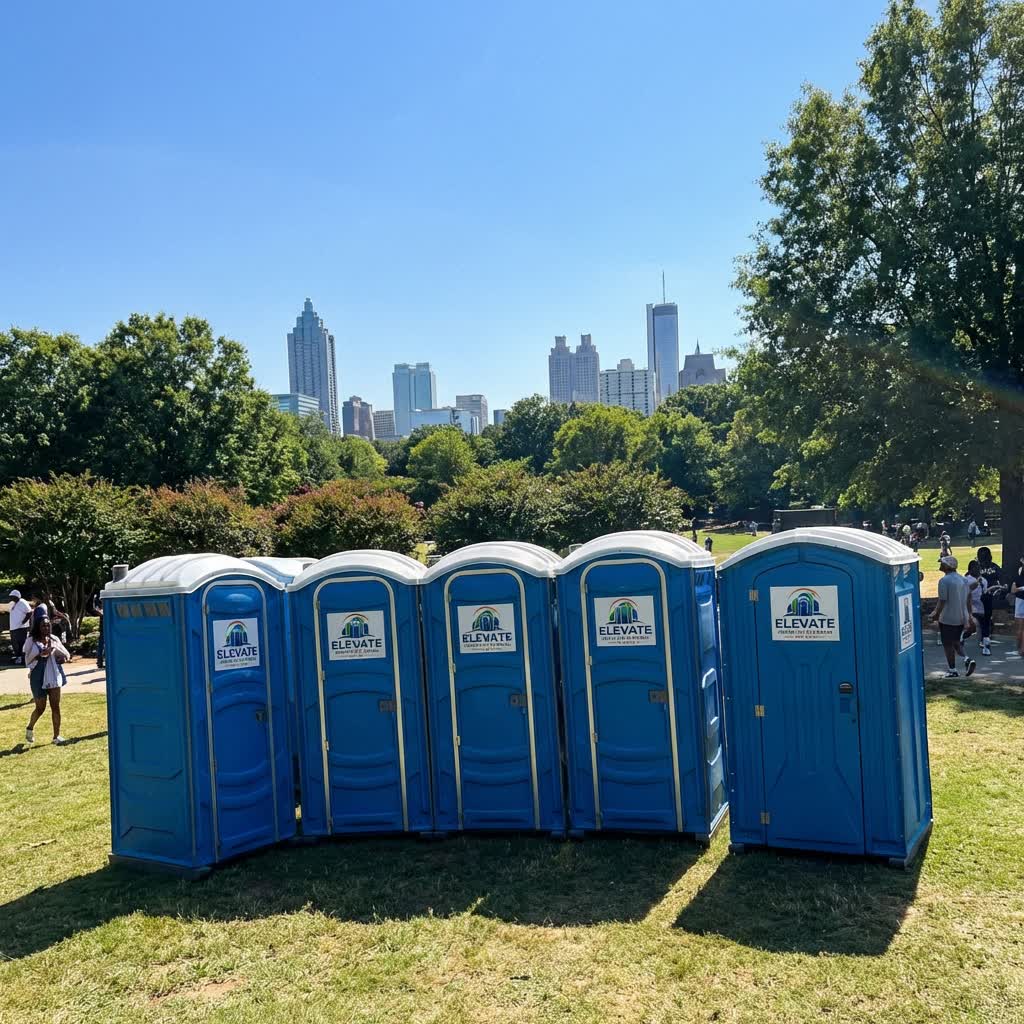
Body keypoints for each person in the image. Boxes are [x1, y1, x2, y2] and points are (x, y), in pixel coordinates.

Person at [24, 615, 71, 745]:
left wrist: (63, 658)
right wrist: (40, 655)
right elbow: (27, 660)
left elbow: (66, 654)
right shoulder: (31, 641)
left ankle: (56, 736)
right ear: (38, 627)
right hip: (38, 676)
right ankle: (30, 727)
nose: (46, 627)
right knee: (41, 708)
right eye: (43, 625)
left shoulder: (54, 639)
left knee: (55, 706)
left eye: (48, 625)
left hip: (53, 675)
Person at [930, 556, 976, 678]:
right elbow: (968, 598)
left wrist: (936, 614)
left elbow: (942, 601)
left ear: (947, 566)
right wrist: (969, 615)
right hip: (961, 617)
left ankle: (952, 670)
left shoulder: (944, 581)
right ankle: (967, 659)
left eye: (942, 563)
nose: (940, 565)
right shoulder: (964, 580)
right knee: (956, 641)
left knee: (947, 644)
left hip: (947, 618)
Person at [975, 547, 1003, 655]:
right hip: (987, 597)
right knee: (986, 618)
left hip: (982, 597)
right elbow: (1001, 578)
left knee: (983, 619)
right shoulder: (994, 567)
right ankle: (985, 636)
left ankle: (984, 636)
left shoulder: (976, 567)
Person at [965, 560, 988, 656]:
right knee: (973, 625)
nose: (977, 570)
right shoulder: (966, 579)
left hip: (981, 605)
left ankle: (984, 641)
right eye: (975, 568)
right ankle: (961, 636)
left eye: (979, 568)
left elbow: (985, 592)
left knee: (985, 623)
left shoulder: (984, 580)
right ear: (970, 570)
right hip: (969, 605)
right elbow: (965, 591)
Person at [8, 588, 32, 666]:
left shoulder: (22, 602)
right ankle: (18, 658)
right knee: (15, 644)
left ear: (16, 596)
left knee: (21, 643)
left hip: (21, 628)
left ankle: (22, 659)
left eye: (12, 596)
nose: (10, 598)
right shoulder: (13, 603)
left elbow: (29, 612)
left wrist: (23, 622)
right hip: (13, 628)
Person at [1011, 557, 1024, 657]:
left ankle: (1020, 649)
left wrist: (1019, 589)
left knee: (1019, 628)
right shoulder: (1018, 576)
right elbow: (1013, 590)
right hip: (1020, 601)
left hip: (1020, 602)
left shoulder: (1018, 576)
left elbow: (1013, 590)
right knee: (1021, 629)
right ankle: (1021, 649)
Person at [91, 590, 105, 669]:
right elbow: (94, 609)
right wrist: (94, 599)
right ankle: (99, 662)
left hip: (104, 630)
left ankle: (100, 662)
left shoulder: (103, 610)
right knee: (101, 646)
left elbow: (94, 609)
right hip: (104, 630)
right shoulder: (103, 610)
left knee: (101, 646)